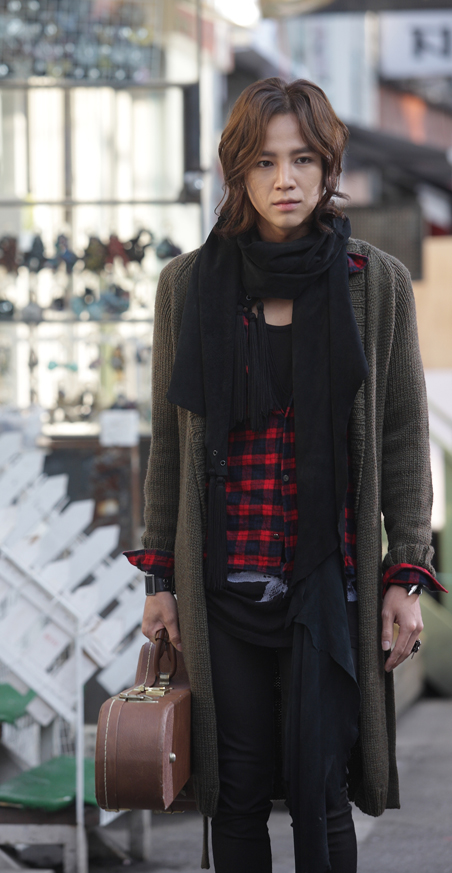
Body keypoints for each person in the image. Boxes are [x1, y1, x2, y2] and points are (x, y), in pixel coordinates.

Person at [124, 78, 445, 873]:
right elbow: (169, 443)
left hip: (328, 583)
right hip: (221, 584)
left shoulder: (374, 283)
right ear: (238, 170)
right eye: (264, 162)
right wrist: (159, 579)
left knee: (321, 787)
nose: (285, 179)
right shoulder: (187, 286)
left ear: (329, 165)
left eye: (303, 159)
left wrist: (406, 573)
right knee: (234, 789)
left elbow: (404, 437)